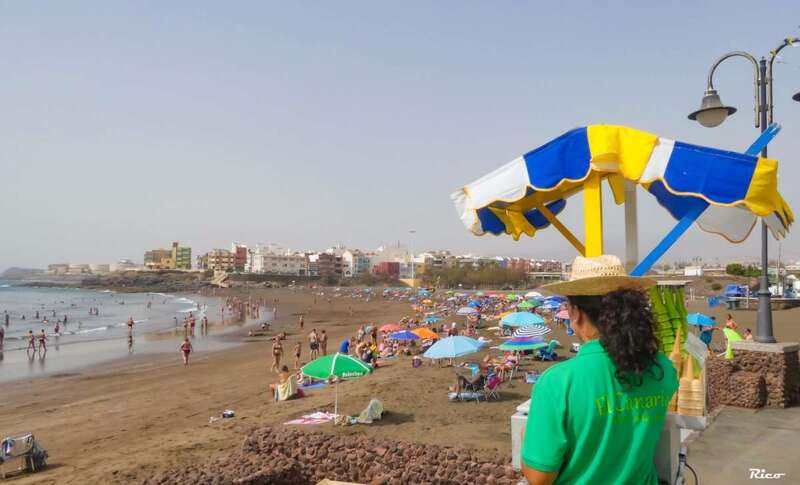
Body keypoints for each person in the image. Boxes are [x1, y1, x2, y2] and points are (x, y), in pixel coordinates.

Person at [520, 255, 678, 485]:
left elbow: (539, 478)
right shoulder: (662, 367)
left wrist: (526, 440)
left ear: (576, 313)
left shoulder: (558, 382)